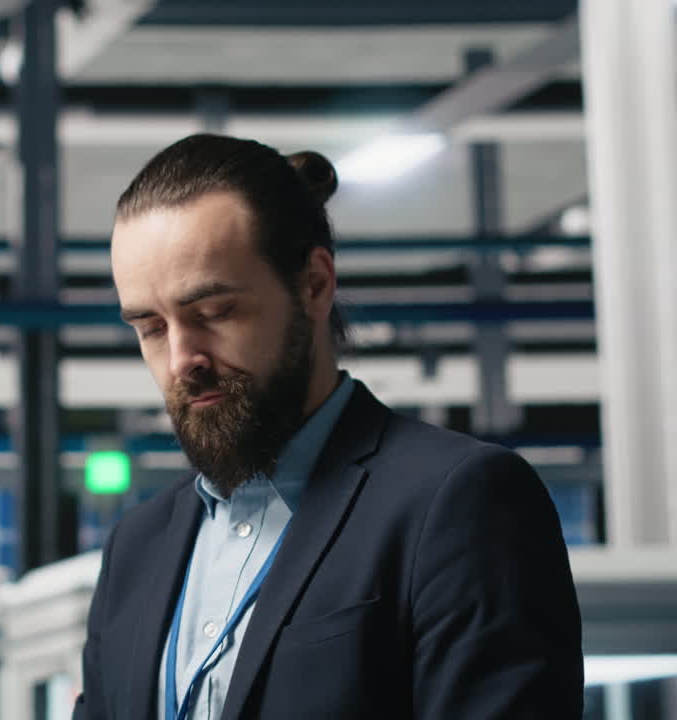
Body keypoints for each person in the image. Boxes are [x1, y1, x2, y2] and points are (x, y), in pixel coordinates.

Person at [72, 134, 583, 719]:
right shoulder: (136, 549)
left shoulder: (458, 503)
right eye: (151, 328)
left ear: (314, 284)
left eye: (215, 312)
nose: (182, 358)